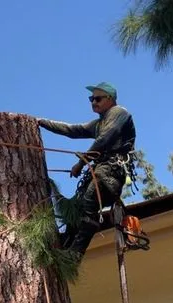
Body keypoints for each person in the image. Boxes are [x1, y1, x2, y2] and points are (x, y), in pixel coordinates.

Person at [36, 81, 138, 258]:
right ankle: (65, 247)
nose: (93, 102)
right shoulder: (98, 123)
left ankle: (75, 254)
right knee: (75, 208)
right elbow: (72, 130)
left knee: (89, 203)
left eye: (98, 98)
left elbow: (105, 139)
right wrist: (41, 122)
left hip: (111, 173)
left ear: (110, 99)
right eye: (91, 99)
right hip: (100, 172)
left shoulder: (119, 113)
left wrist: (81, 163)